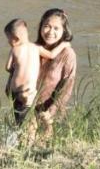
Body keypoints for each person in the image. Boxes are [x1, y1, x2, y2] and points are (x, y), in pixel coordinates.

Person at [3, 18, 67, 132]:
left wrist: (15, 67)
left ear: (15, 39)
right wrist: (63, 45)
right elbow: (52, 55)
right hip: (29, 92)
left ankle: (26, 138)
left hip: (15, 91)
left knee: (21, 121)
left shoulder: (15, 49)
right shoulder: (37, 48)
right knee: (31, 116)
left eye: (9, 40)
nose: (8, 42)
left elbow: (7, 67)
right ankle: (45, 125)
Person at [33, 8, 77, 144]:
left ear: (64, 31)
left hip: (51, 113)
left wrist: (50, 113)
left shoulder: (68, 54)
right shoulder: (34, 48)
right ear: (40, 27)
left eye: (56, 28)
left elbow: (67, 88)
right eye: (46, 26)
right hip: (29, 109)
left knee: (45, 148)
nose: (50, 32)